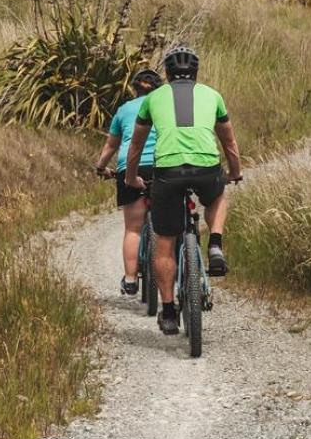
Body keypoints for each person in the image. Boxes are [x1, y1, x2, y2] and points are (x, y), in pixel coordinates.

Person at [125, 44, 243, 336]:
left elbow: (136, 146)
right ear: (196, 73)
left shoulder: (152, 99)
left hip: (168, 171)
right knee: (216, 196)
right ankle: (215, 243)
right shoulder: (213, 95)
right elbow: (229, 143)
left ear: (166, 72)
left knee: (164, 242)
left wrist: (130, 177)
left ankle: (167, 310)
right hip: (206, 166)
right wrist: (235, 172)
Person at [94, 68, 162, 296]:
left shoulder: (124, 110)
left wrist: (101, 167)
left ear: (135, 89)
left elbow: (111, 146)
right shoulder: (163, 105)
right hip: (161, 164)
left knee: (133, 227)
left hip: (129, 166)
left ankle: (131, 279)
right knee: (167, 225)